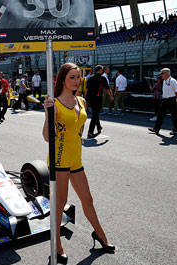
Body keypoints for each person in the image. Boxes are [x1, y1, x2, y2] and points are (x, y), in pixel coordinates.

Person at [43, 63, 115, 262]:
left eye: (78, 77)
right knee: (61, 203)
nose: (76, 81)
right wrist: (48, 114)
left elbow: (79, 129)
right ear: (62, 80)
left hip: (76, 159)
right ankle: (56, 244)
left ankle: (100, 235)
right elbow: (47, 137)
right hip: (59, 159)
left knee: (87, 200)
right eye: (72, 77)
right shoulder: (54, 103)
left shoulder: (81, 101)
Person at [148, 68, 177, 136]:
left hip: (171, 99)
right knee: (160, 115)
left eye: (162, 73)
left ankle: (176, 130)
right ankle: (156, 128)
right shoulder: (164, 81)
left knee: (174, 116)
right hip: (165, 99)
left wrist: (175, 98)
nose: (161, 75)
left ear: (167, 74)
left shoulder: (173, 81)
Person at [86, 65, 112, 138]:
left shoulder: (90, 78)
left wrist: (86, 99)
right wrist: (111, 96)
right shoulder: (102, 78)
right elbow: (107, 89)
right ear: (100, 70)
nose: (102, 71)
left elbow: (87, 90)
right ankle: (90, 132)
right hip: (98, 98)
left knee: (95, 113)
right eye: (102, 70)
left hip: (91, 98)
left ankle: (99, 127)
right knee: (95, 115)